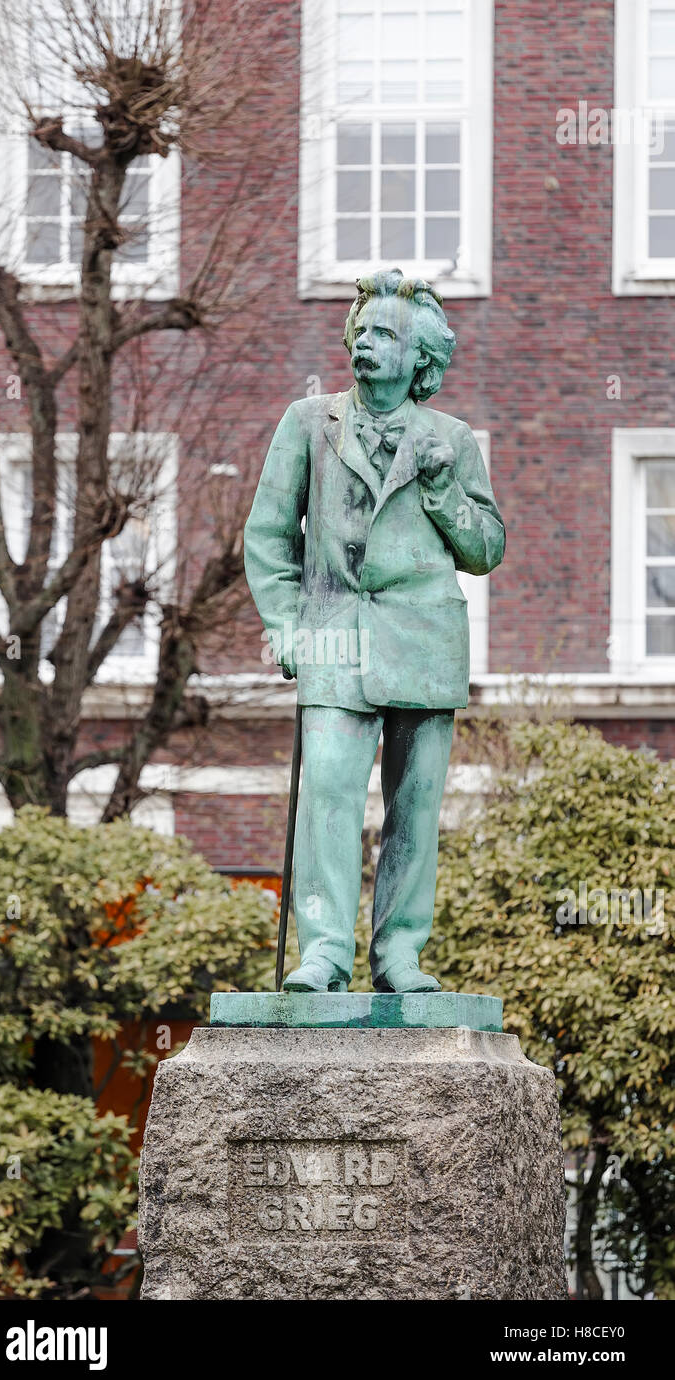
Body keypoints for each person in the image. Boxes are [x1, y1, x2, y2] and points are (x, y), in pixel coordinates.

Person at [244, 269, 505, 993]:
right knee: (327, 794)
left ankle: (398, 955)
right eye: (360, 332)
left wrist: (440, 489)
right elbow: (267, 536)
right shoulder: (307, 422)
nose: (365, 343)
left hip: (424, 644)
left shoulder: (450, 439)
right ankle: (323, 953)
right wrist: (285, 627)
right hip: (332, 637)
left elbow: (484, 550)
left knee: (415, 806)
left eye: (384, 335)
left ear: (420, 358)